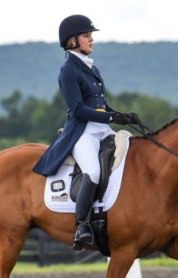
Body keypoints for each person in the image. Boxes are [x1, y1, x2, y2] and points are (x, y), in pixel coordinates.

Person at [33, 14, 139, 248]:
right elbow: (79, 109)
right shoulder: (68, 70)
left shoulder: (92, 69)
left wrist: (121, 115)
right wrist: (111, 116)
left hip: (102, 129)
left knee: (132, 156)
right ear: (72, 41)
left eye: (91, 35)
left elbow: (99, 105)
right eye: (86, 35)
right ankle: (82, 225)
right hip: (83, 132)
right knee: (92, 172)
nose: (91, 39)